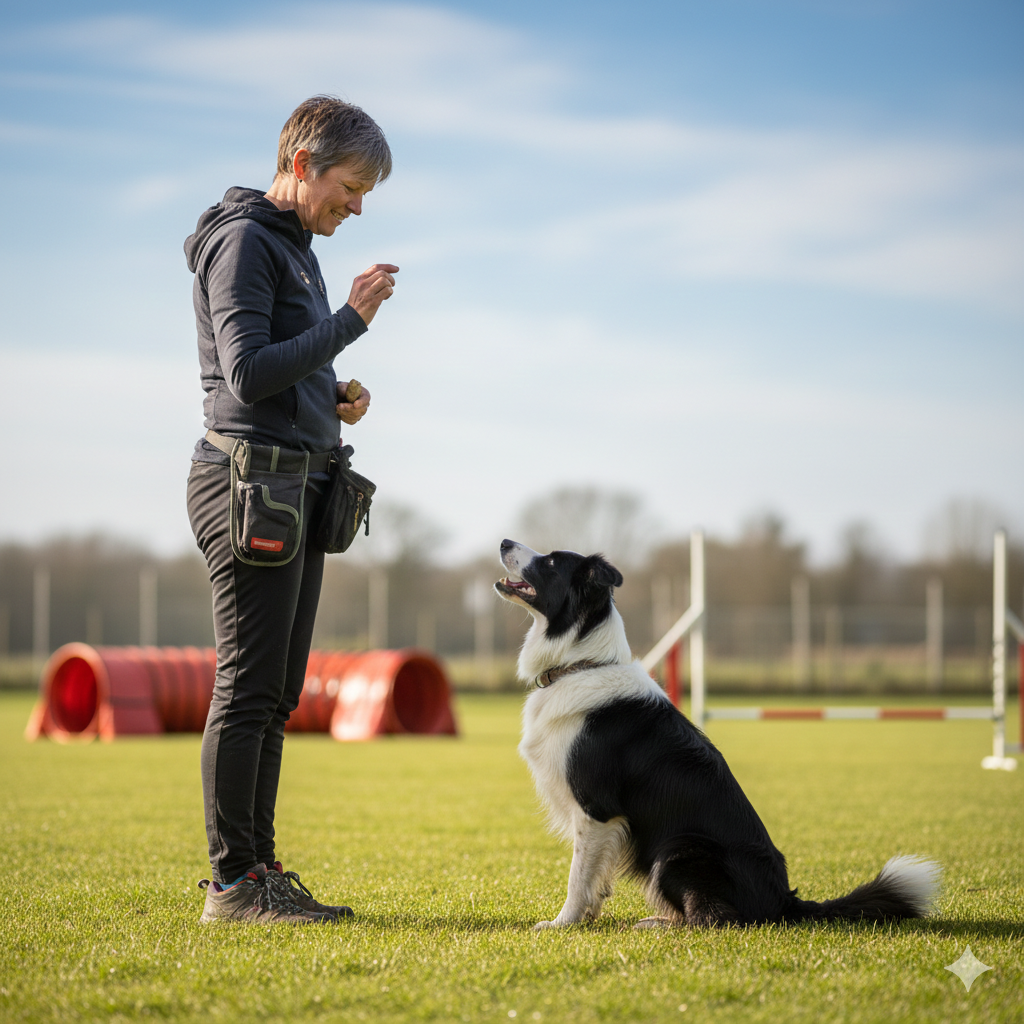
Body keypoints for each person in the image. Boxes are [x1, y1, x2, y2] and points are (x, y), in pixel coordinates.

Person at [184, 95, 398, 923]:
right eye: (352, 187)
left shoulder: (295, 248)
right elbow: (243, 374)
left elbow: (281, 366)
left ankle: (260, 873)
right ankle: (232, 886)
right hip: (249, 485)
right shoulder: (244, 241)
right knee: (247, 687)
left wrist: (330, 394)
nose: (358, 206)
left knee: (276, 695)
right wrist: (350, 323)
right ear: (303, 164)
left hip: (294, 480)